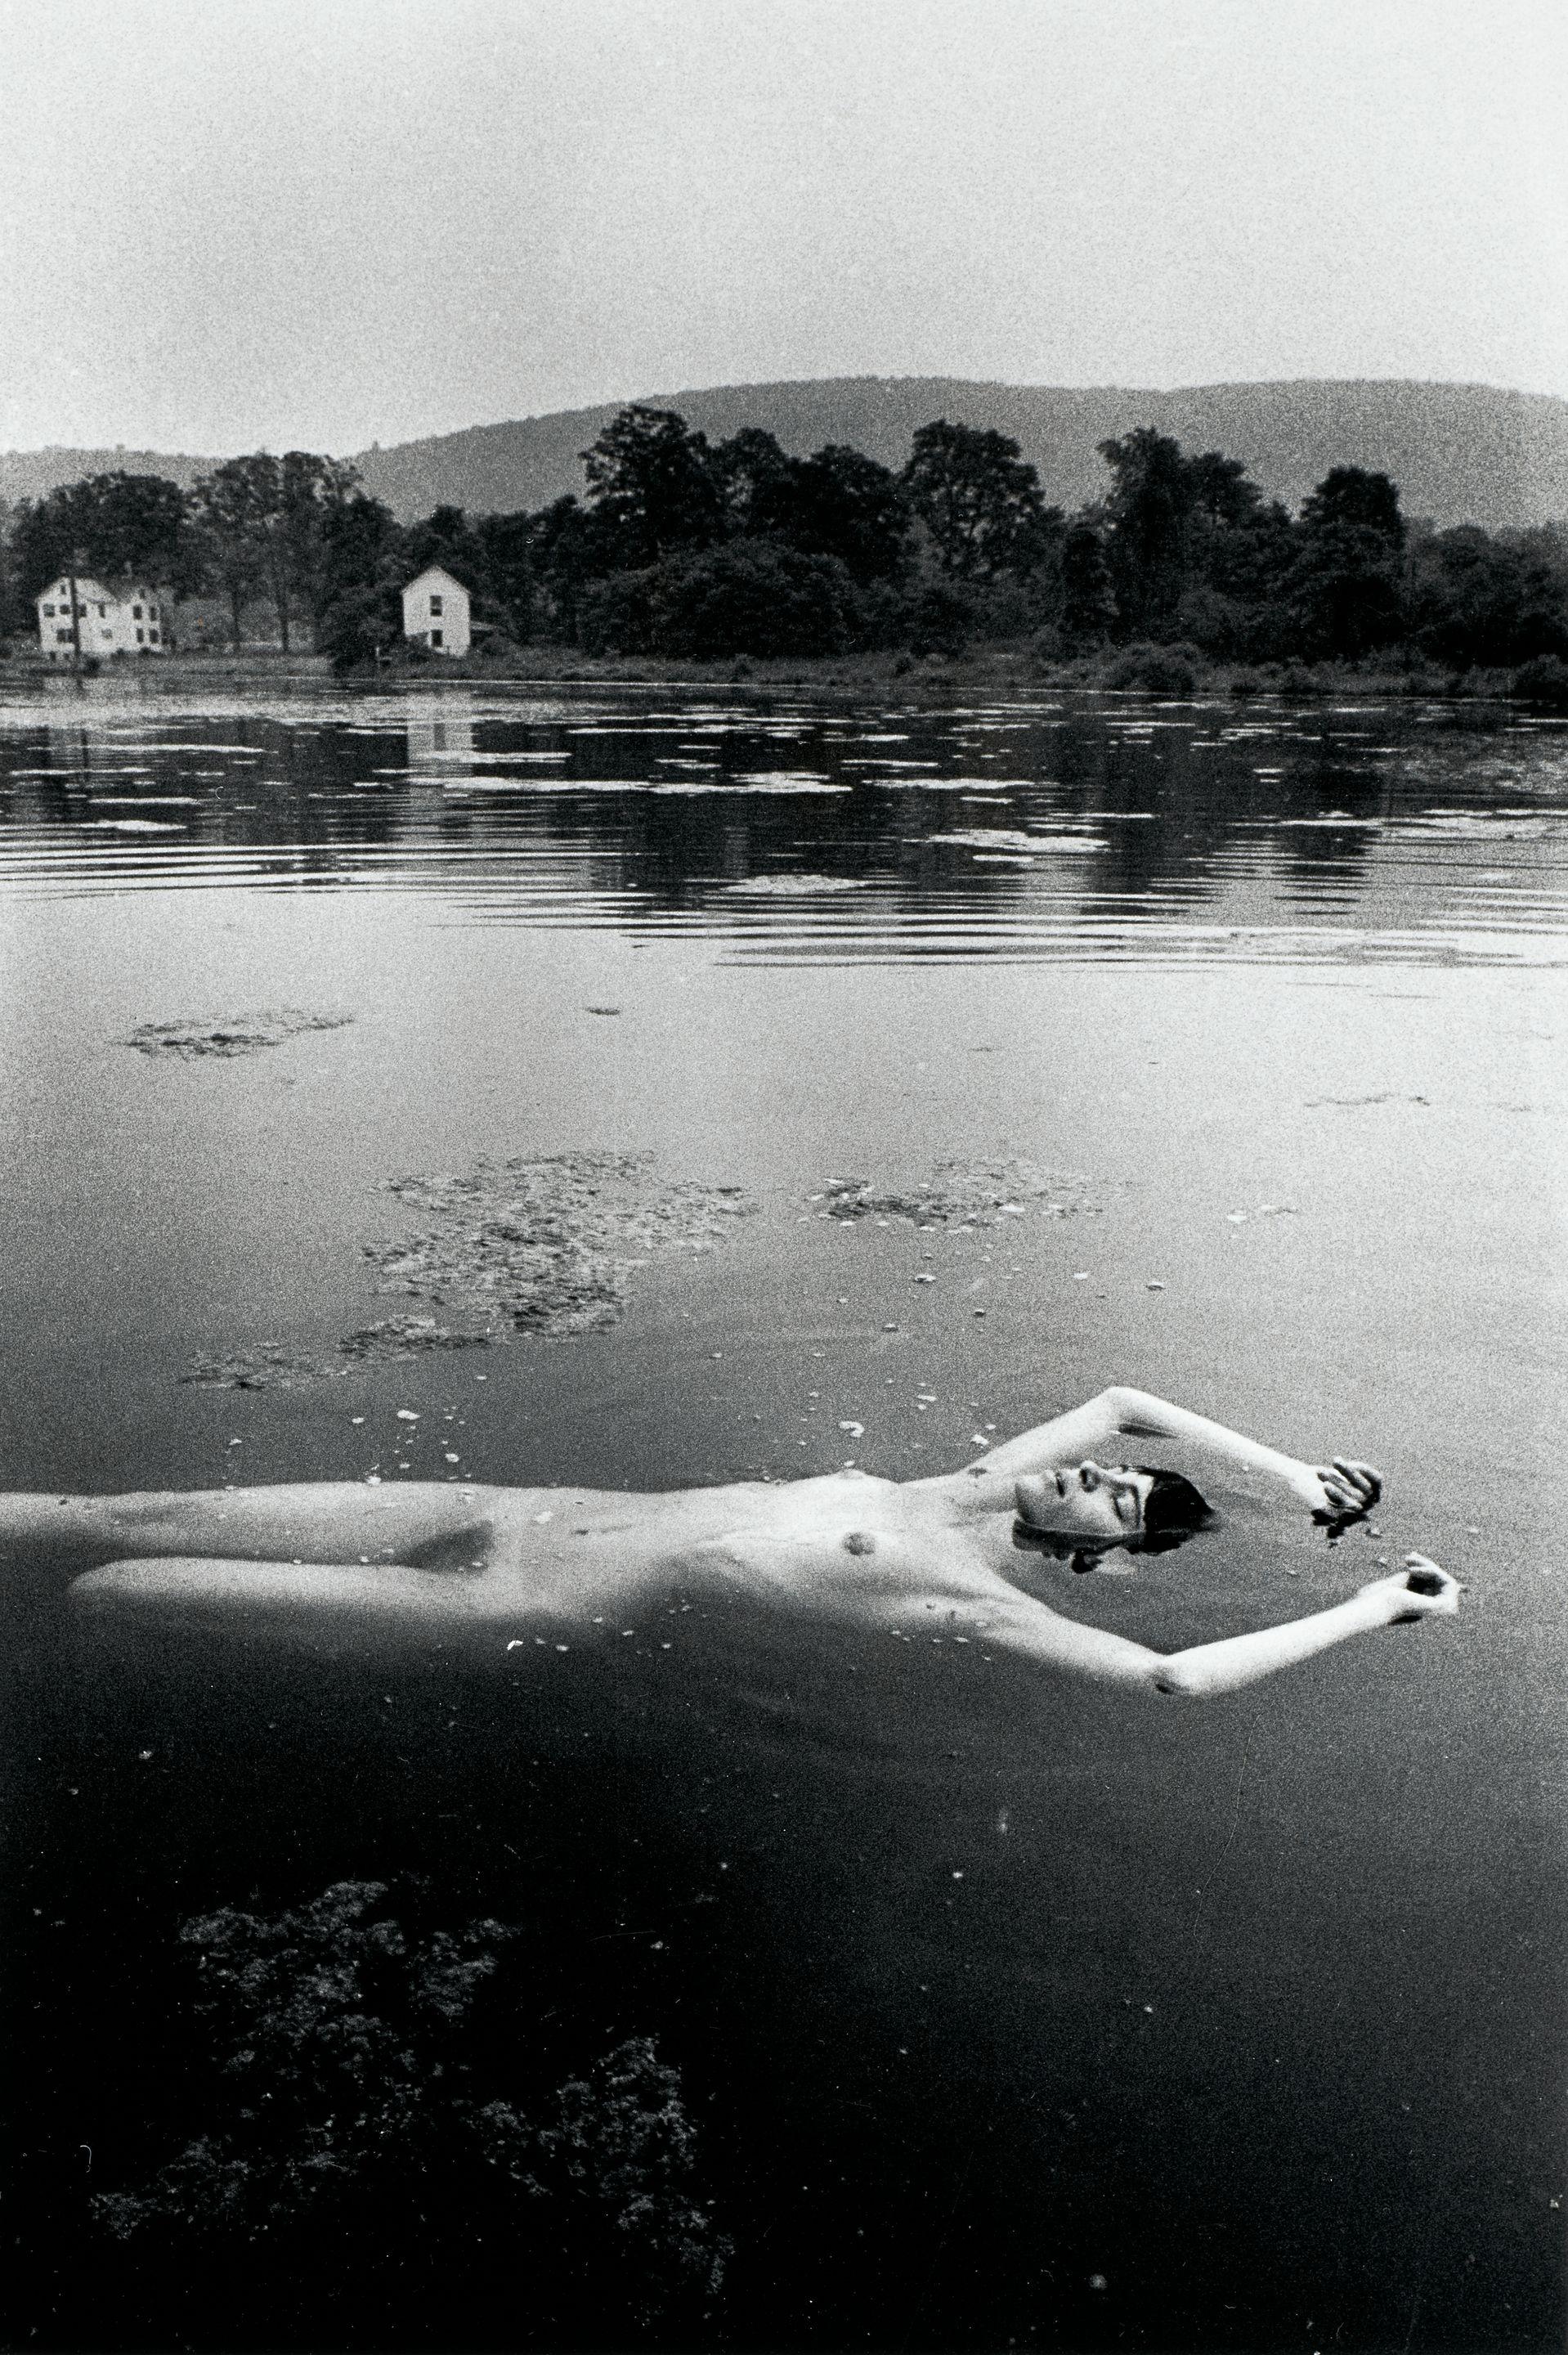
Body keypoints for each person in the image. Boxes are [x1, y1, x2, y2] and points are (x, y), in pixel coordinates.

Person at [9, 1385, 1458, 1699]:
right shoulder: (958, 1484)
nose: (1088, 1475)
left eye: (1109, 1503)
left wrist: (1371, 1608)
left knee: (115, 1585)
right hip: (516, 1503)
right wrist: (1301, 1476)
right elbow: (1136, 1395)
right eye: (1100, 1476)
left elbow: (1174, 1683)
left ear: (1097, 1558)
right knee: (113, 1513)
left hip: (529, 1597)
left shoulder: (966, 1592)